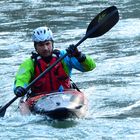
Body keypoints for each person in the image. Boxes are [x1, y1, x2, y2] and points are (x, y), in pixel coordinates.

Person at [14, 26, 96, 110]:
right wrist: (19, 88)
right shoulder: (29, 63)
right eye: (41, 45)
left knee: (80, 96)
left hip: (66, 96)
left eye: (47, 44)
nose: (45, 48)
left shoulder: (64, 56)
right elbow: (21, 79)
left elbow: (90, 66)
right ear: (35, 47)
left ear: (52, 43)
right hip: (39, 98)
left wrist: (78, 55)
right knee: (24, 106)